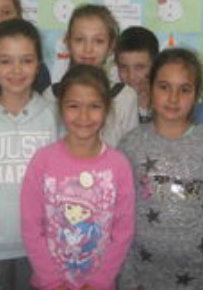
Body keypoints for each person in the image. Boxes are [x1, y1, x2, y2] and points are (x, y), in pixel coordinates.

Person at [118, 48, 203, 290]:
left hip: (197, 279)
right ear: (150, 88)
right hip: (141, 278)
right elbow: (119, 219)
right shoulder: (130, 145)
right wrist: (128, 281)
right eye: (164, 87)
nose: (173, 98)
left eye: (184, 89)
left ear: (196, 94)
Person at [0, 18, 60, 290]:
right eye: (5, 61)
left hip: (43, 253)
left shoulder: (52, 117)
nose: (16, 70)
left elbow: (61, 193)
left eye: (26, 60)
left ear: (38, 64)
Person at [21, 64, 135, 290]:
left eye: (94, 106)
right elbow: (31, 229)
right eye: (74, 106)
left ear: (107, 109)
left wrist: (99, 282)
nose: (84, 116)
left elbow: (123, 233)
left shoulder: (119, 166)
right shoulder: (42, 161)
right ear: (61, 107)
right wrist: (53, 283)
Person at [44, 3, 139, 147]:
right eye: (79, 40)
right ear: (67, 42)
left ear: (111, 46)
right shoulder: (51, 96)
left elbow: (131, 152)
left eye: (98, 41)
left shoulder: (125, 97)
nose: (88, 49)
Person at [114, 26, 160, 124]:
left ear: (155, 65)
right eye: (123, 67)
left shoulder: (168, 102)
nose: (131, 76)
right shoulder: (112, 104)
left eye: (139, 67)